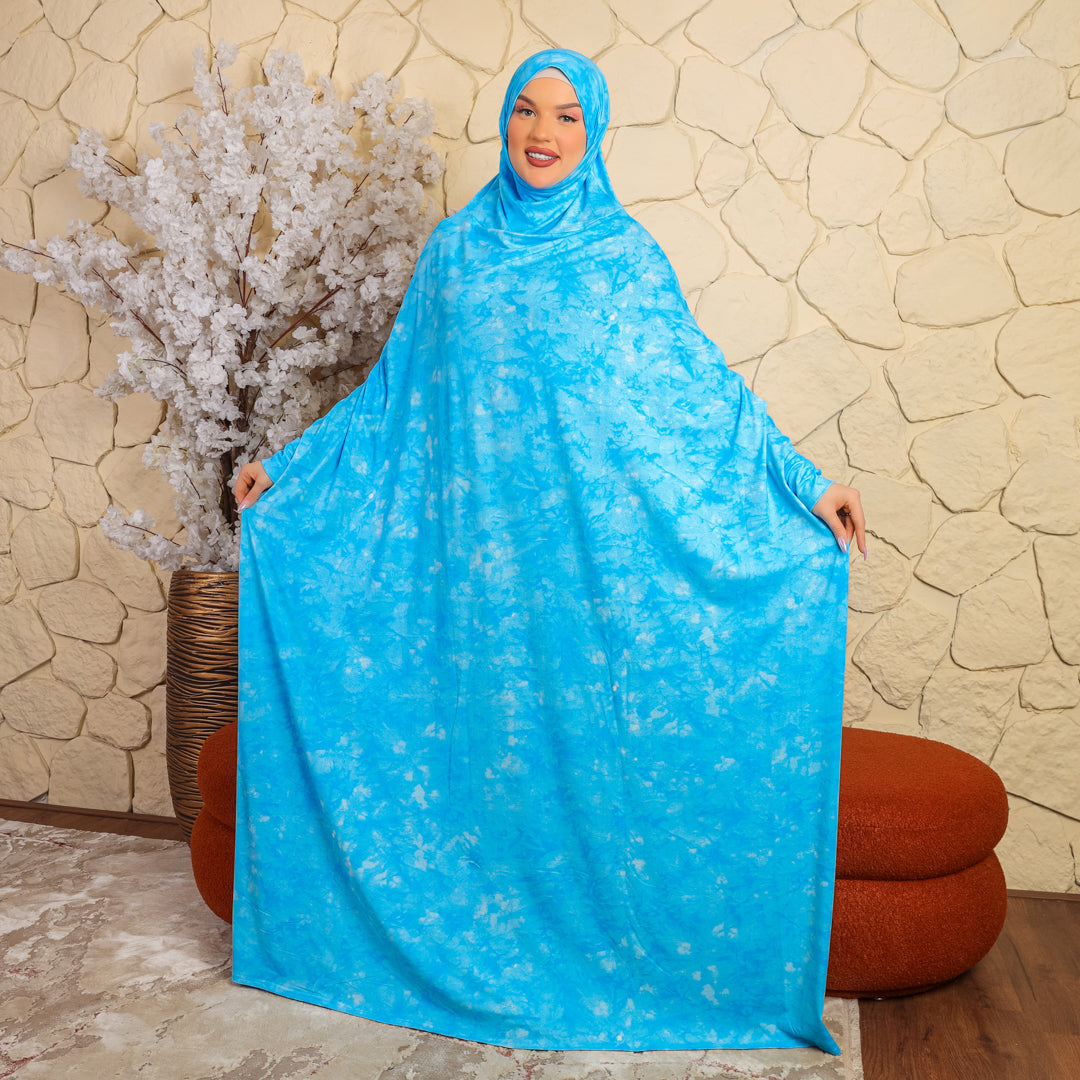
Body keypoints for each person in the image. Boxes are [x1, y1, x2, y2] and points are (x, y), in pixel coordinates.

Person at [231, 49, 864, 1055]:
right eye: (527, 109)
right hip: (466, 575)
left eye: (567, 116)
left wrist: (804, 484)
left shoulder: (624, 258)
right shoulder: (454, 253)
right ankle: (461, 942)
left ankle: (594, 958)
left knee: (579, 764)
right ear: (506, 123)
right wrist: (291, 466)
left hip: (582, 573)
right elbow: (392, 394)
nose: (542, 131)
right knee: (474, 758)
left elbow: (702, 390)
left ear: (594, 132)